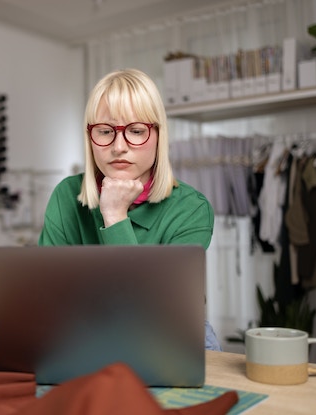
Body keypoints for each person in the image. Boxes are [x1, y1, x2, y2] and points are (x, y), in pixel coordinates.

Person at [38, 68, 221, 351]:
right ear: (90, 138)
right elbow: (48, 296)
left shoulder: (191, 208)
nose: (118, 147)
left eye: (136, 131)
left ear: (158, 136)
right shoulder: (66, 194)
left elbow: (151, 317)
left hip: (169, 337)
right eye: (105, 132)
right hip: (84, 330)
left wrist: (114, 215)